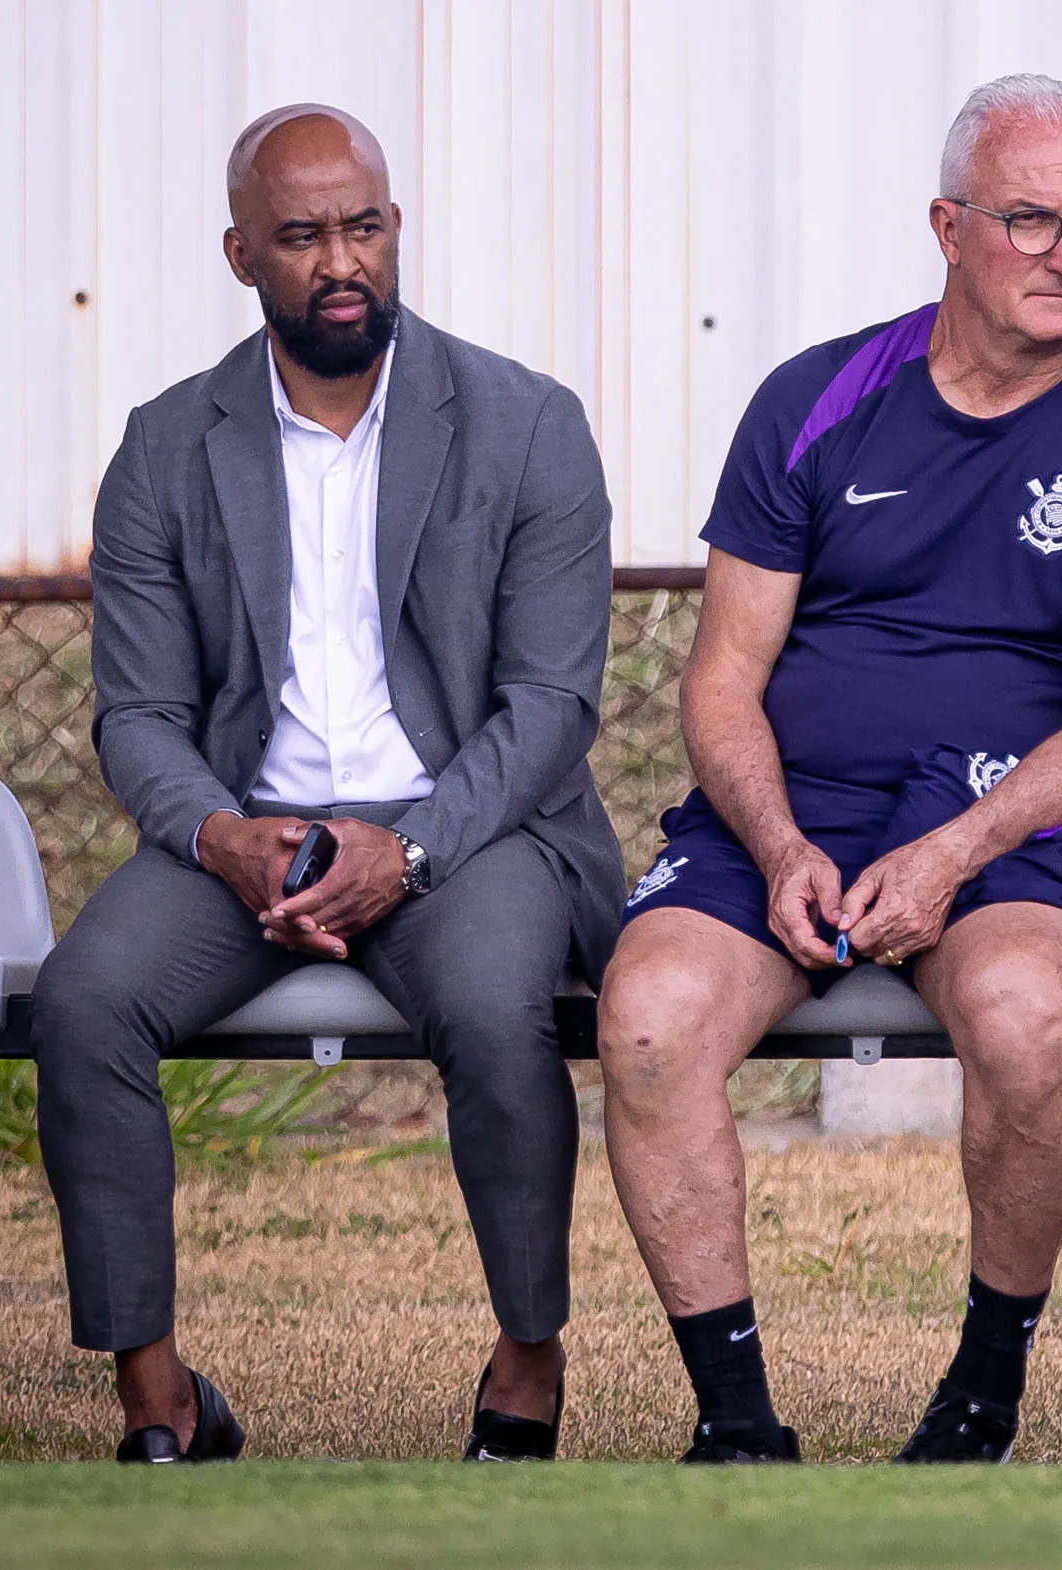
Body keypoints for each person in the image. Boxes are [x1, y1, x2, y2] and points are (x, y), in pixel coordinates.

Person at [596, 74, 1062, 1464]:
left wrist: (953, 853)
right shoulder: (817, 398)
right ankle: (738, 1423)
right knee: (645, 1020)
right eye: (1036, 220)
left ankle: (983, 1395)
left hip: (1011, 831)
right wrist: (777, 843)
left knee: (1027, 1016)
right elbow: (722, 678)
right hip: (791, 820)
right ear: (947, 226)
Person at [34, 104, 623, 1464]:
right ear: (243, 254)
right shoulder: (168, 445)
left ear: (396, 228)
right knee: (85, 1000)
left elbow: (550, 709)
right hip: (252, 839)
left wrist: (404, 855)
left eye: (362, 226)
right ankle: (161, 1398)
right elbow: (138, 713)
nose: (340, 260)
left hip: (469, 833)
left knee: (493, 1006)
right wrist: (224, 836)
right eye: (302, 236)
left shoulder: (527, 425)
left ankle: (527, 1362)